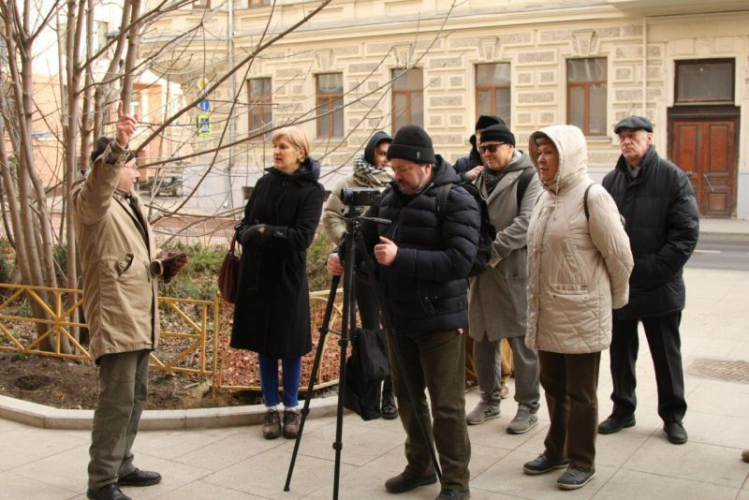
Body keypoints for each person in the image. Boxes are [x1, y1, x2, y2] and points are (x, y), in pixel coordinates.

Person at [327, 125, 480, 500]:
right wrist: (343, 258)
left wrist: (401, 258)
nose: (395, 175)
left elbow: (461, 261)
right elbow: (364, 242)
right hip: (398, 317)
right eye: (392, 168)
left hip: (440, 320)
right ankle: (420, 466)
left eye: (402, 169)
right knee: (409, 398)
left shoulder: (457, 198)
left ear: (425, 165)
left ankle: (456, 481)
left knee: (446, 405)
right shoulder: (391, 197)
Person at [72, 104, 188, 500]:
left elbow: (127, 257)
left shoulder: (130, 203)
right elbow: (97, 186)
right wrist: (119, 145)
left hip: (139, 313)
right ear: (108, 168)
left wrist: (159, 266)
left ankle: (122, 464)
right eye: (130, 165)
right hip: (116, 314)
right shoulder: (91, 202)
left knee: (135, 397)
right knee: (116, 401)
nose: (136, 173)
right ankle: (101, 481)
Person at [523, 125, 633, 491]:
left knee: (581, 393)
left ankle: (582, 460)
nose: (541, 158)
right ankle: (556, 449)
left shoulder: (593, 195)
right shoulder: (544, 197)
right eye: (538, 151)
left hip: (582, 312)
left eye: (548, 152)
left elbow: (620, 257)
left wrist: (610, 302)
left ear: (567, 155)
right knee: (552, 385)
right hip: (549, 311)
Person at [598, 116, 700, 445]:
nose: (627, 141)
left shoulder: (673, 178)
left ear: (650, 139)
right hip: (623, 287)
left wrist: (652, 269)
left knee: (666, 356)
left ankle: (673, 417)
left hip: (660, 286)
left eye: (633, 136)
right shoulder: (611, 181)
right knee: (620, 354)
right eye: (622, 137)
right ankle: (622, 410)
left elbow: (685, 235)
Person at [230, 126, 325, 440]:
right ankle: (270, 408)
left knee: (290, 346)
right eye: (276, 146)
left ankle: (291, 409)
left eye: (284, 146)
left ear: (300, 152)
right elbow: (245, 222)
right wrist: (247, 231)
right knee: (265, 345)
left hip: (288, 277)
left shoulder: (311, 191)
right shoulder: (264, 183)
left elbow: (302, 238)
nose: (277, 151)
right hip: (257, 275)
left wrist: (264, 232)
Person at [464, 123, 542, 434]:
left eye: (493, 148)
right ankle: (489, 400)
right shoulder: (479, 178)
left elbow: (527, 223)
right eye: (482, 149)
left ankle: (528, 405)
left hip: (513, 271)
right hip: (481, 276)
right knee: (483, 339)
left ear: (510, 147)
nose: (486, 154)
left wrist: (490, 251)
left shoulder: (528, 177)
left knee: (521, 342)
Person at [322, 131, 398, 420]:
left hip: (391, 270)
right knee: (371, 332)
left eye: (390, 156)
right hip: (363, 273)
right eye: (381, 154)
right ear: (370, 154)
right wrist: (348, 245)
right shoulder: (349, 184)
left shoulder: (398, 184)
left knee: (393, 331)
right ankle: (371, 392)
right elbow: (331, 216)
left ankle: (392, 391)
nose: (386, 161)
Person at [453, 114, 504, 390]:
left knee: (502, 329)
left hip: (497, 259)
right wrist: (465, 177)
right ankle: (478, 381)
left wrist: (491, 249)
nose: (486, 148)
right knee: (473, 325)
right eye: (481, 139)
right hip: (469, 256)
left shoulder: (514, 172)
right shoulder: (464, 164)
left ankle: (502, 378)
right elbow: (446, 187)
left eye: (491, 141)